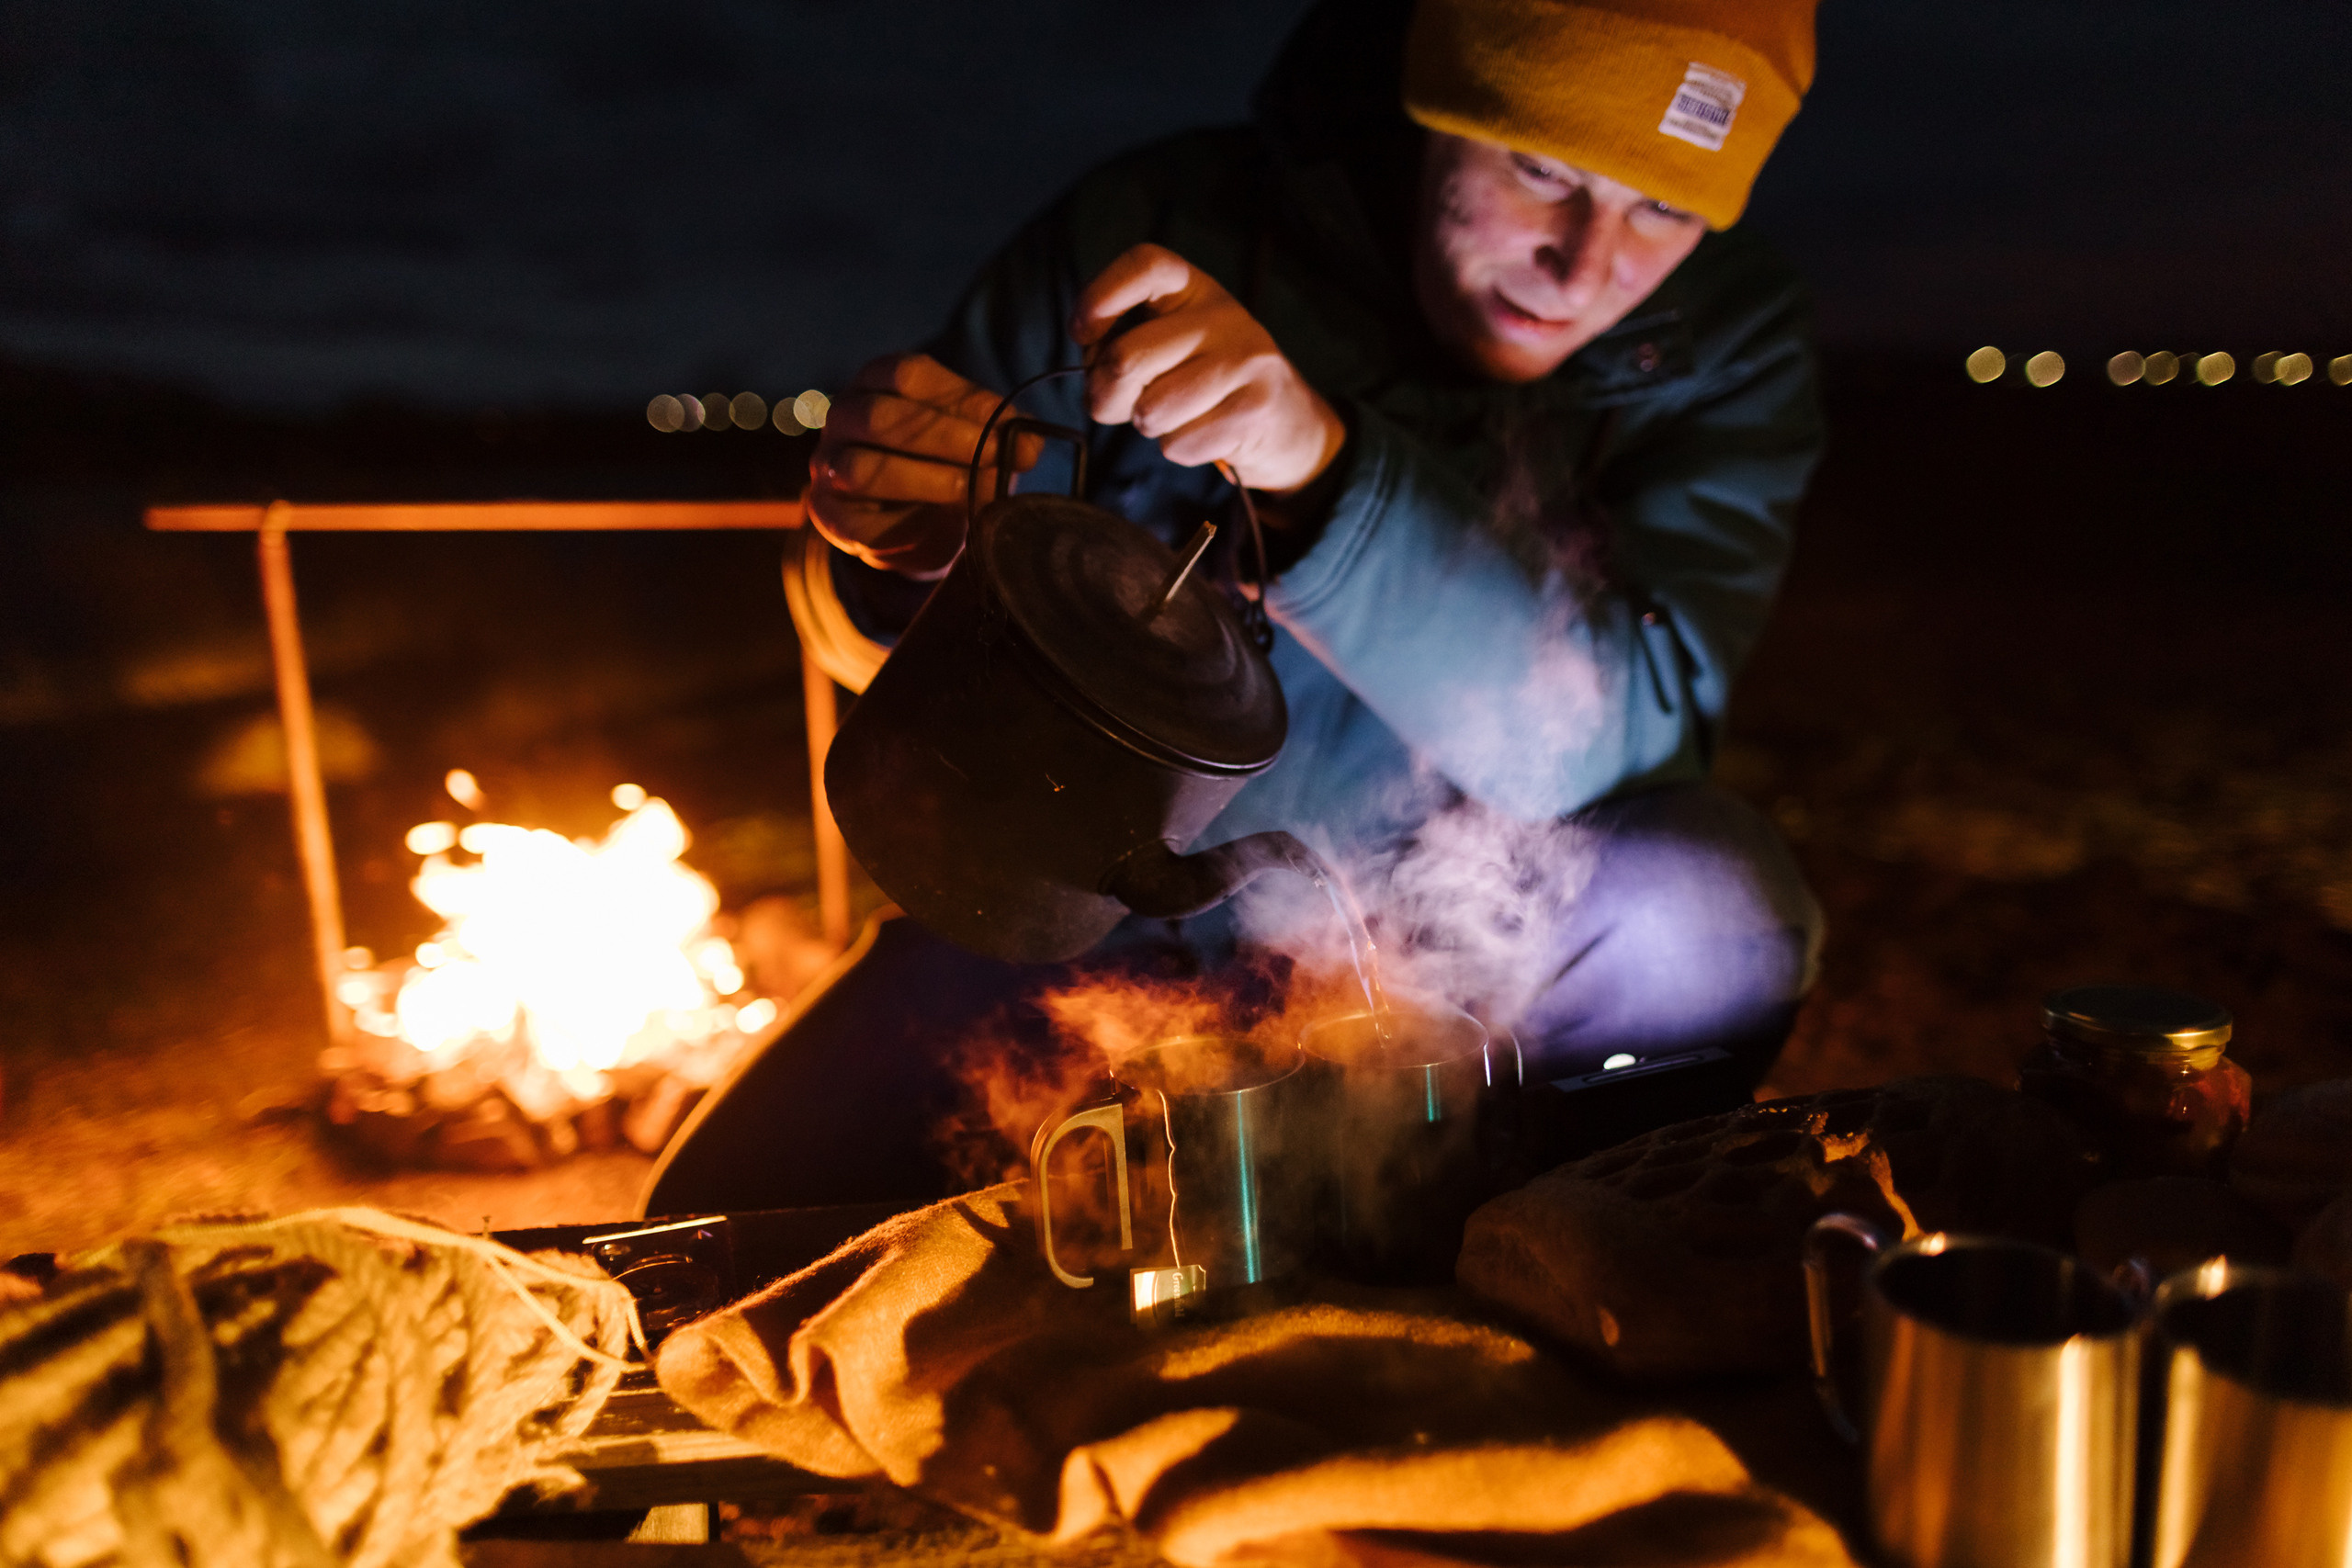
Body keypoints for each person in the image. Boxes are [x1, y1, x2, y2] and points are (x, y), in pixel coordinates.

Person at [648, 0, 1826, 1215]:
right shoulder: (1163, 231)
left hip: (1466, 950)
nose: (1581, 264)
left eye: (1663, 207)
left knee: (1709, 915)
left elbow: (1623, 728)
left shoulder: (1726, 343)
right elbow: (888, 633)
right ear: (1435, 103)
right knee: (710, 1221)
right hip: (1088, 917)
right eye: (1541, 169)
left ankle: (1477, 1231)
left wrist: (1323, 474)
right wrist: (903, 551)